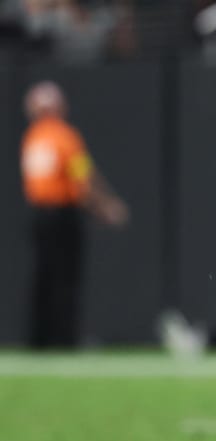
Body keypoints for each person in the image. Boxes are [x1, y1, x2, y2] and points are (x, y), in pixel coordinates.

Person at [20, 80, 127, 349]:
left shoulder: (33, 137)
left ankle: (39, 339)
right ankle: (64, 339)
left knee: (43, 277)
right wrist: (105, 207)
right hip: (62, 214)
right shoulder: (64, 136)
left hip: (40, 215)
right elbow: (83, 179)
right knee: (66, 279)